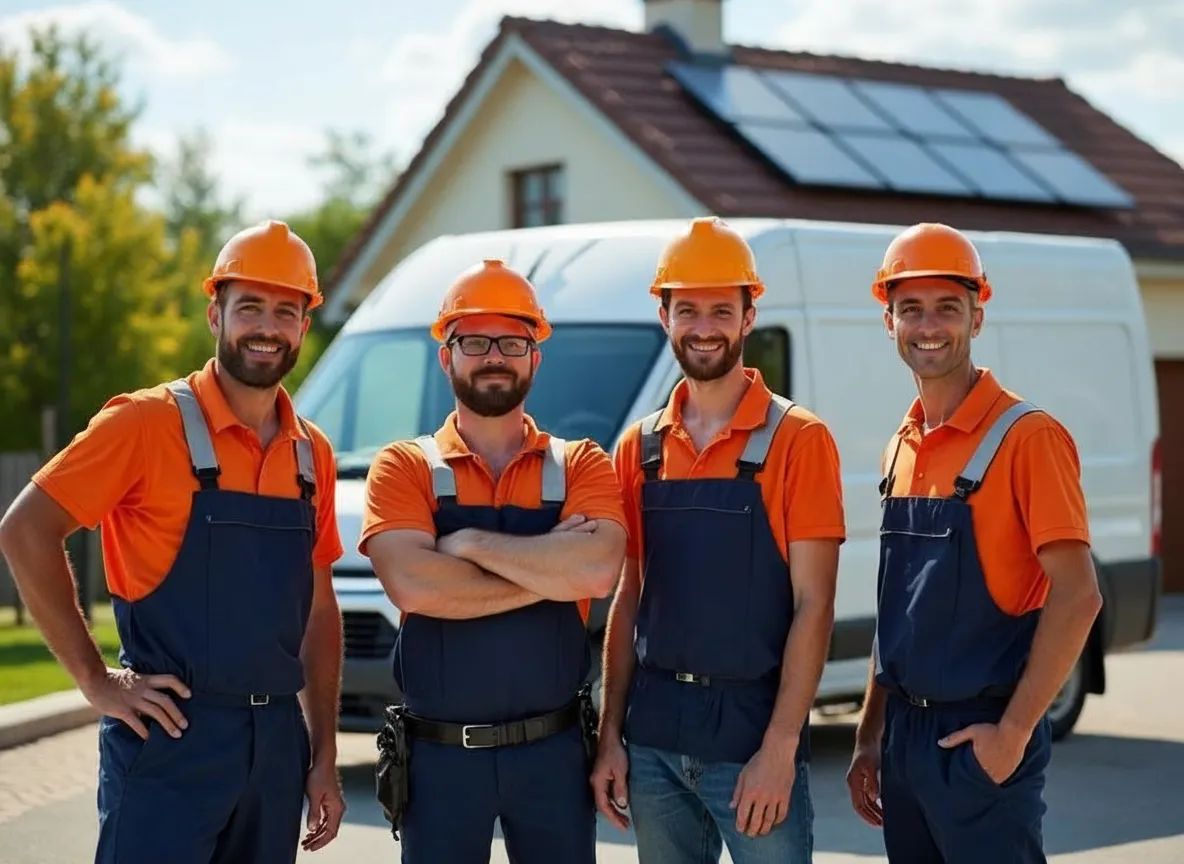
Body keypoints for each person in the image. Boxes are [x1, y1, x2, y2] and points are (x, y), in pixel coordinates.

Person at [0, 220, 348, 863]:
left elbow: (319, 612)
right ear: (215, 312)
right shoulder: (144, 422)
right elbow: (25, 530)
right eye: (249, 308)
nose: (266, 327)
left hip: (275, 749)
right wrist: (95, 679)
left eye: (285, 311)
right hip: (171, 737)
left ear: (304, 325)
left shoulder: (311, 453)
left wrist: (322, 751)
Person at [844, 222, 1103, 863]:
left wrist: (1013, 733)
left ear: (977, 317)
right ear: (889, 321)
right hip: (903, 740)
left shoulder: (1028, 438)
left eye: (947, 308)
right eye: (911, 309)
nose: (928, 325)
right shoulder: (900, 445)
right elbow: (897, 612)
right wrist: (870, 734)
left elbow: (1078, 597)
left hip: (980, 737)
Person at [591, 216, 846, 863]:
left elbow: (815, 605)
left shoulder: (799, 440)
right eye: (689, 310)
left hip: (752, 742)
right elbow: (630, 597)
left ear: (749, 314)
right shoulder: (639, 448)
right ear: (665, 314)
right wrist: (611, 734)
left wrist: (782, 746)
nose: (704, 327)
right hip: (653, 744)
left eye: (721, 310)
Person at [358, 258, 628, 864]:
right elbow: (414, 586)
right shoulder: (404, 467)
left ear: (536, 355)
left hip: (555, 756)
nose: (494, 356)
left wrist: (471, 546)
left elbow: (597, 573)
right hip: (439, 760)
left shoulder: (581, 463)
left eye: (512, 341)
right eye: (473, 341)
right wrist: (551, 569)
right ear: (445, 356)